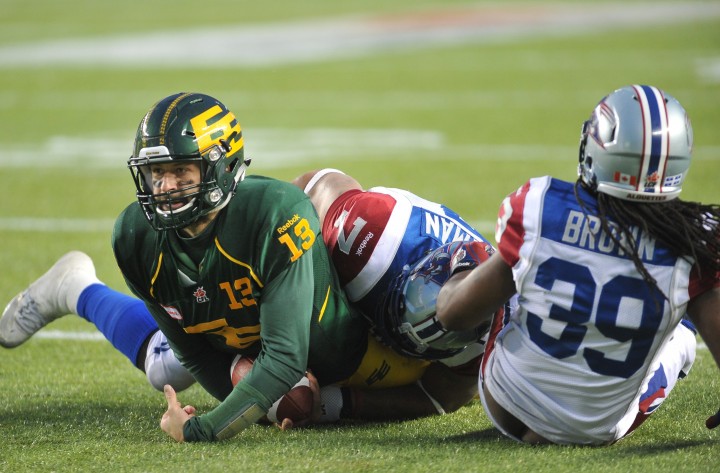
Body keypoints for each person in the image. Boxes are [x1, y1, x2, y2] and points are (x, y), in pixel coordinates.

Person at [0, 92, 494, 441]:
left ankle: (75, 286)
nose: (166, 187)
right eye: (157, 173)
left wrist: (326, 406)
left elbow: (441, 396)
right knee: (166, 366)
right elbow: (321, 185)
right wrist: (241, 376)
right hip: (269, 309)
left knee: (168, 368)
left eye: (179, 171)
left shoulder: (476, 344)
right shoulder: (368, 238)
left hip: (315, 328)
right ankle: (77, 290)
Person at [435, 84, 720, 445]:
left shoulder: (539, 205)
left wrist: (457, 272)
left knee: (510, 273)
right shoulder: (693, 242)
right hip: (592, 431)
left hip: (503, 400)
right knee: (683, 334)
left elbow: (454, 315)